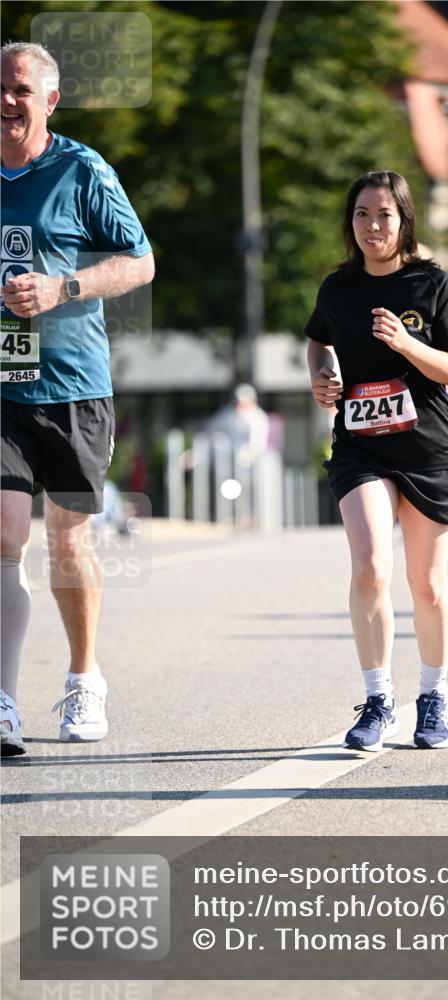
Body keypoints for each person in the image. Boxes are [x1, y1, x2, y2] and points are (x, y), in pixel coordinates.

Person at [0, 42, 155, 756]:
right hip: (1, 384)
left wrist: (64, 288)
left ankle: (84, 677)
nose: (6, 99)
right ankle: (2, 699)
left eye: (20, 88)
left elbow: (139, 261)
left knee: (67, 540)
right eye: (0, 87)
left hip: (71, 383)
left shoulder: (81, 169)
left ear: (49, 101)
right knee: (4, 536)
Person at [306, 170, 448, 752]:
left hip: (427, 447)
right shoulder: (338, 289)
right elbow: (317, 338)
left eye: (383, 215)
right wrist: (321, 375)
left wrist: (405, 344)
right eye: (360, 214)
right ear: (349, 222)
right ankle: (378, 700)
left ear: (404, 220)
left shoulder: (430, 283)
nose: (371, 225)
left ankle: (433, 694)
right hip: (360, 445)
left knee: (426, 584)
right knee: (371, 565)